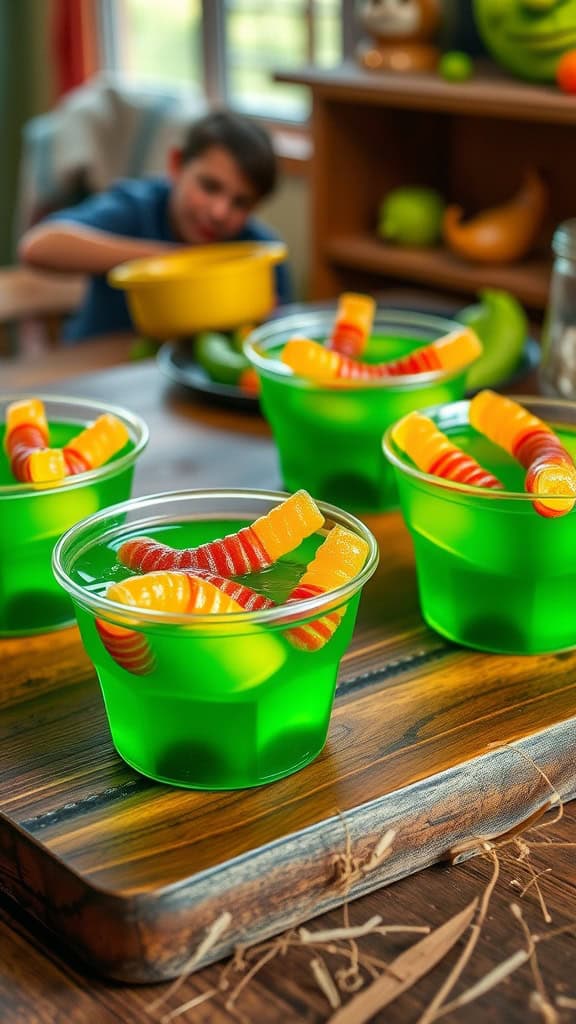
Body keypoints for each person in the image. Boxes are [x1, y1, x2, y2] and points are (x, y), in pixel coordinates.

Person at [19, 110, 293, 342]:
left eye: (241, 203)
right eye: (209, 187)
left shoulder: (262, 256)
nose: (220, 212)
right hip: (96, 372)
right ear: (176, 165)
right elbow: (38, 246)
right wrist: (177, 263)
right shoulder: (135, 207)